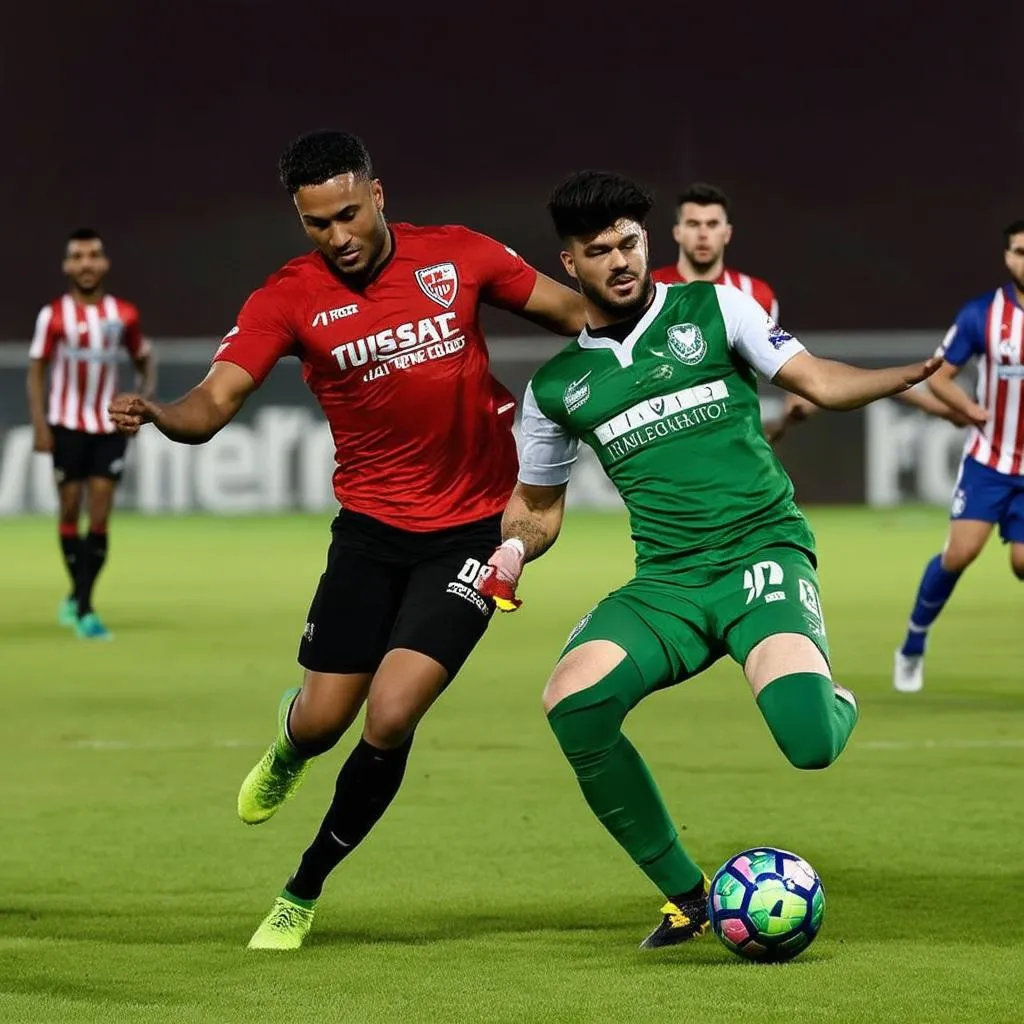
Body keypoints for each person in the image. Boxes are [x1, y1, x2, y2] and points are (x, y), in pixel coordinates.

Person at [109, 131, 585, 951]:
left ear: (379, 193)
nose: (338, 237)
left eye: (348, 214)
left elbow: (577, 313)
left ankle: (303, 888)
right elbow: (215, 401)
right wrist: (160, 413)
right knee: (324, 721)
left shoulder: (459, 258)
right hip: (369, 534)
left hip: (474, 528)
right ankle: (290, 746)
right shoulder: (288, 297)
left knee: (391, 714)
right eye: (317, 224)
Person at [474, 170, 940, 948]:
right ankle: (688, 896)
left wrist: (901, 377)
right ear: (571, 265)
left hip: (761, 555)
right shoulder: (557, 387)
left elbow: (817, 379)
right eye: (600, 250)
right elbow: (536, 506)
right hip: (670, 582)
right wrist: (514, 550)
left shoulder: (714, 308)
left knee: (811, 746)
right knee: (572, 701)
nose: (620, 260)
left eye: (630, 243)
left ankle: (835, 700)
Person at [893, 219, 1024, 693]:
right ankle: (912, 643)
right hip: (990, 460)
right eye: (1019, 251)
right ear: (1007, 257)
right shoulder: (982, 314)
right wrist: (969, 408)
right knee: (961, 553)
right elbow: (940, 376)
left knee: (1022, 564)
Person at [27, 228, 155, 640]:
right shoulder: (53, 316)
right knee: (69, 510)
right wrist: (41, 425)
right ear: (67, 265)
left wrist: (141, 403)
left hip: (106, 427)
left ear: (104, 263)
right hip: (66, 425)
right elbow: (36, 371)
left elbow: (145, 362)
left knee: (99, 514)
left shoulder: (124, 315)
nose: (86, 263)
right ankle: (78, 597)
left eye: (93, 255)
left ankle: (83, 606)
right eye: (78, 256)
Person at [651, 182, 778, 319]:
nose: (703, 234)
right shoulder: (650, 288)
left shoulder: (756, 294)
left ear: (727, 233)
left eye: (712, 224)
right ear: (677, 233)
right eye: (693, 224)